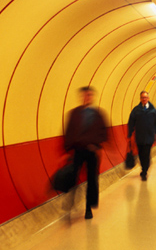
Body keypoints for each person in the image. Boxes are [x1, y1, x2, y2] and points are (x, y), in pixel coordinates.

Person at [64, 86, 108, 219]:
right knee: (72, 176)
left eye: (89, 95)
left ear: (92, 97)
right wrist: (67, 150)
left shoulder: (98, 114)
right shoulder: (74, 114)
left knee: (92, 180)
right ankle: (70, 202)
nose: (86, 98)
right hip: (78, 151)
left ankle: (88, 208)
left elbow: (104, 133)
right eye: (85, 95)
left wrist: (97, 146)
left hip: (92, 152)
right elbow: (69, 132)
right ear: (81, 97)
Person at [127, 91, 156, 181]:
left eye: (145, 97)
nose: (144, 99)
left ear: (148, 98)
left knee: (146, 153)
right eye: (142, 97)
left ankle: (144, 171)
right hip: (139, 136)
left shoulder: (153, 110)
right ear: (140, 99)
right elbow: (131, 122)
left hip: (149, 136)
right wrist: (130, 133)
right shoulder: (136, 110)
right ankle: (144, 167)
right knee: (141, 154)